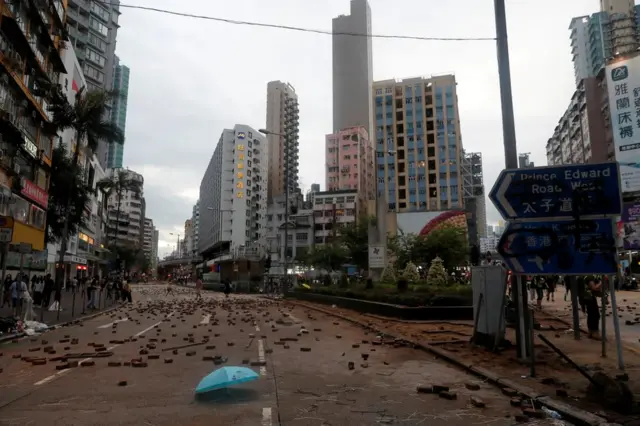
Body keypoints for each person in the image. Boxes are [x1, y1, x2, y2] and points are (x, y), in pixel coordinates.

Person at [583, 275, 603, 340]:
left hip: (586, 297)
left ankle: (590, 332)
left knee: (590, 315)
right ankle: (595, 333)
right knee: (595, 315)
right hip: (590, 298)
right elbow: (593, 288)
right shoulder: (590, 277)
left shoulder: (586, 277)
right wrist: (600, 283)